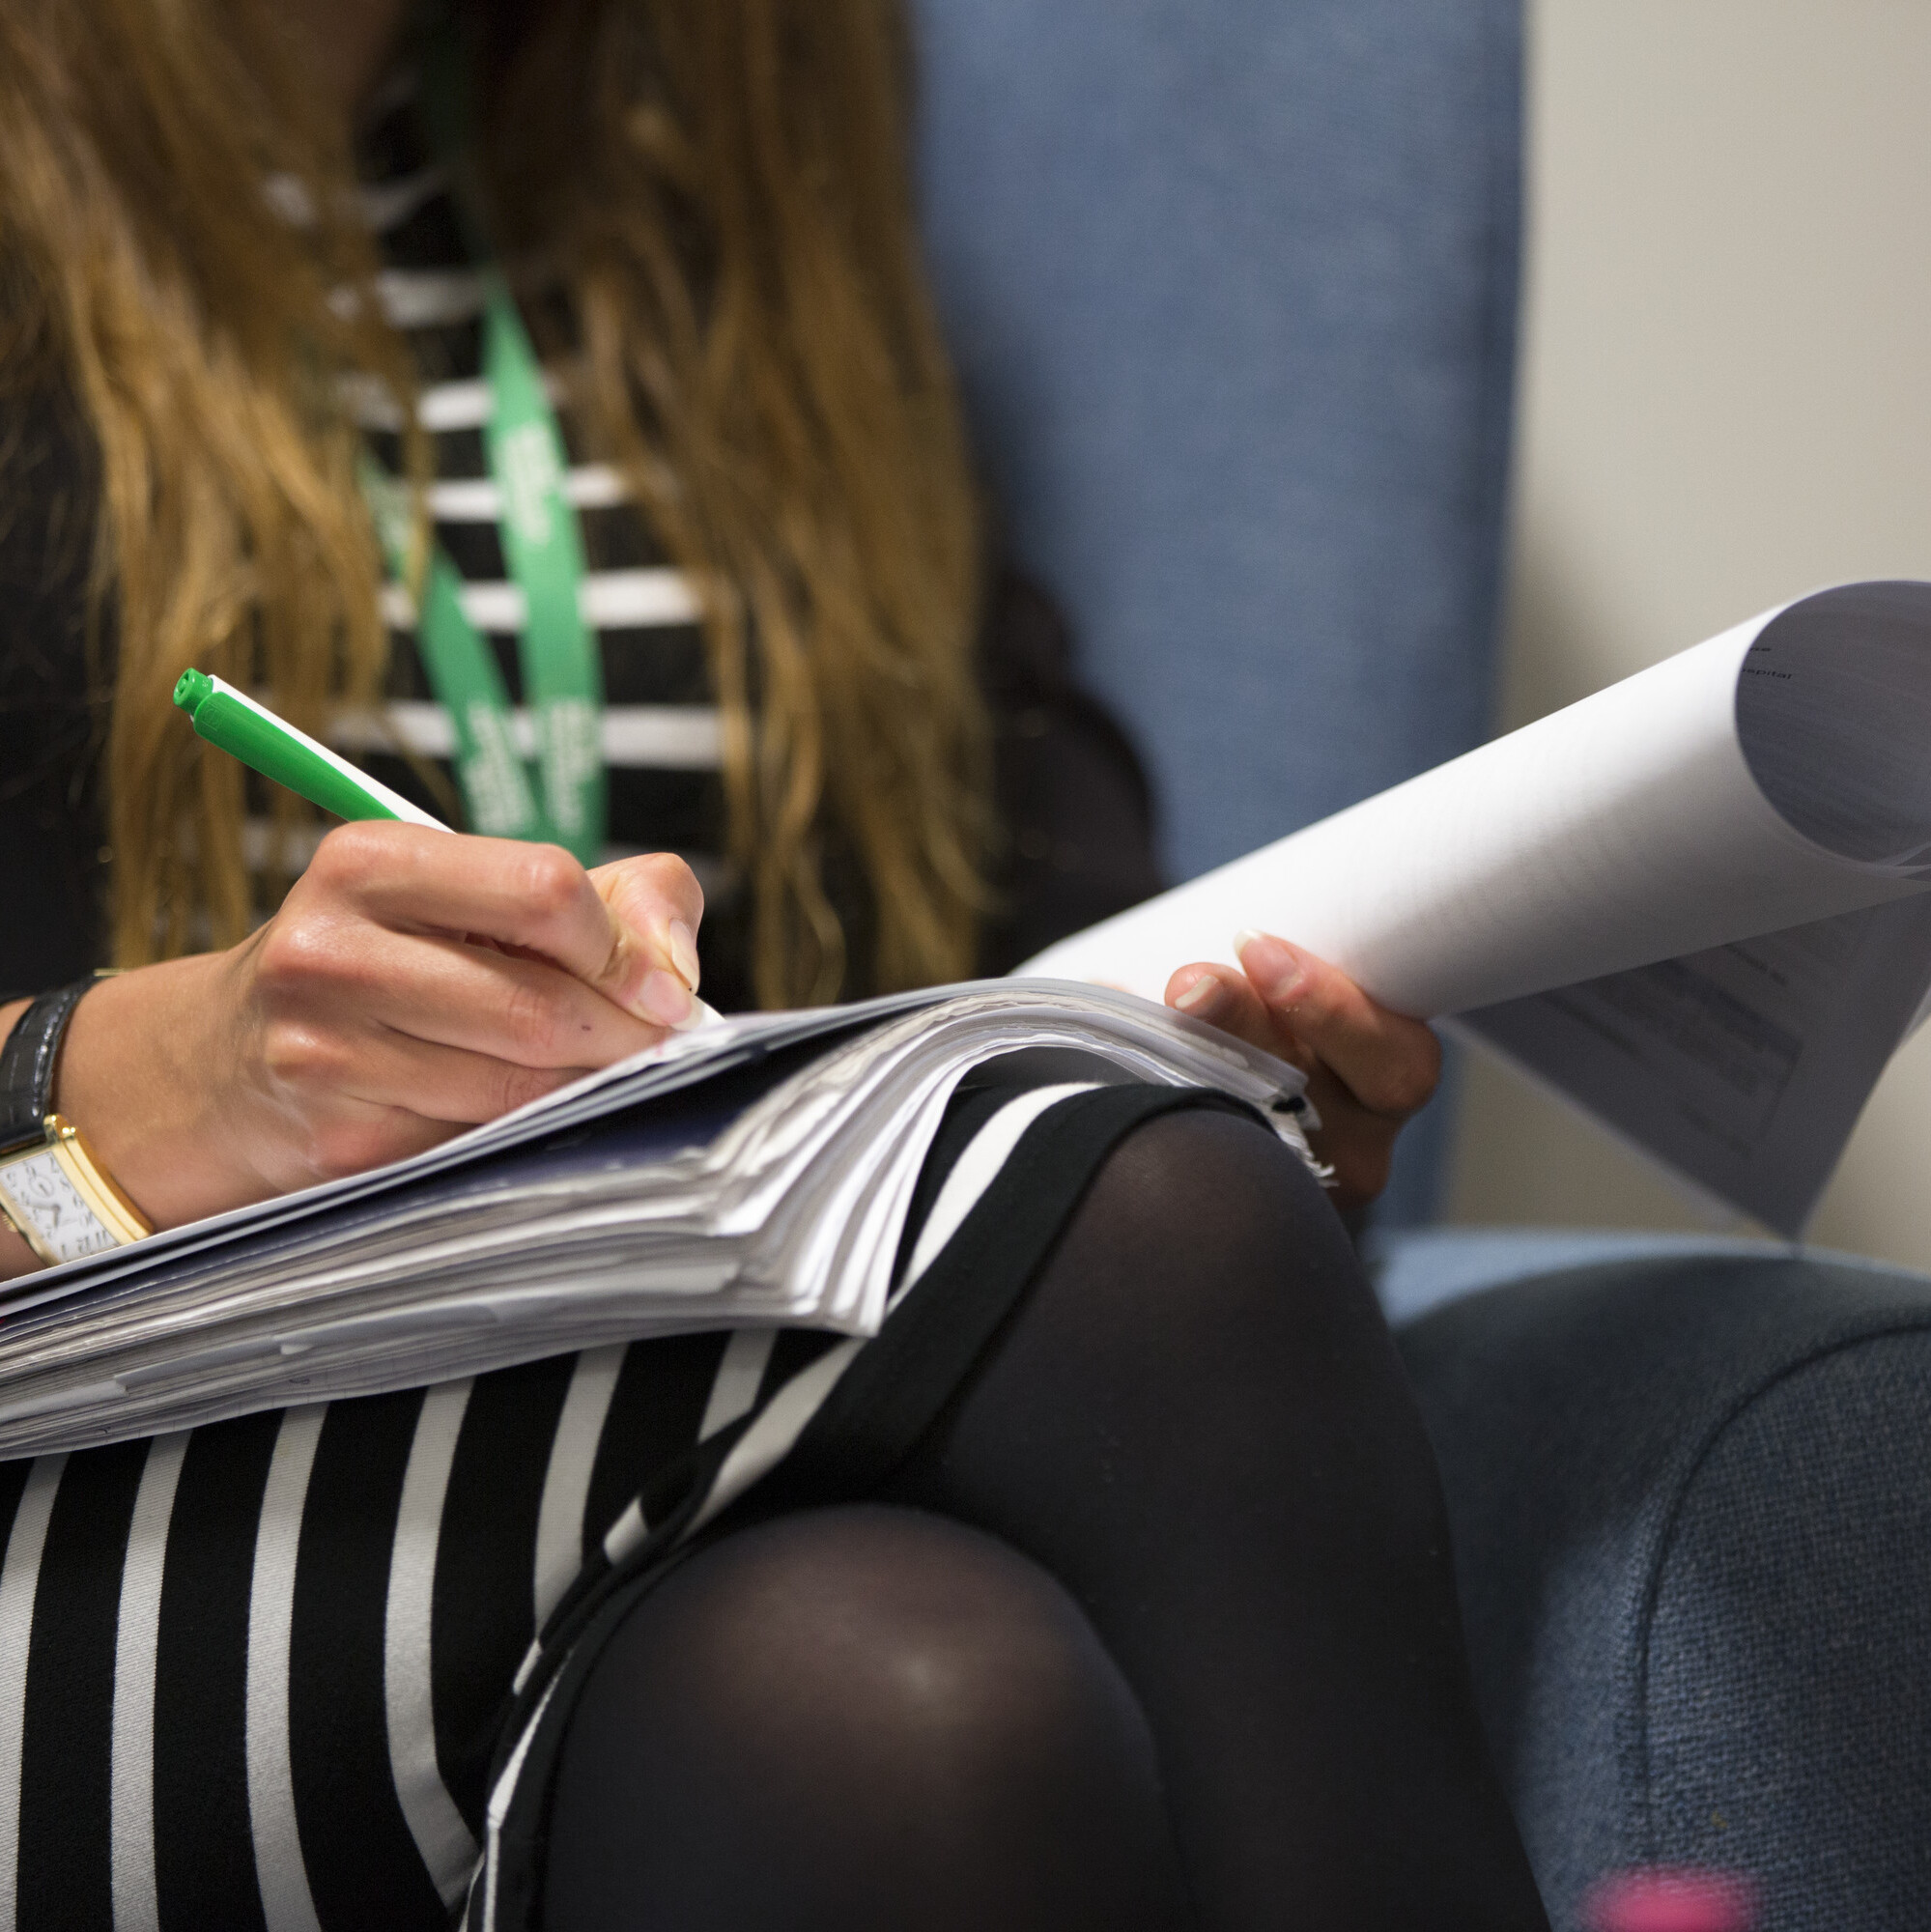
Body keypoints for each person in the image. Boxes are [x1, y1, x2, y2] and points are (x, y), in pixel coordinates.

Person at [0, 2, 1549, 1927]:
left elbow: (1006, 919)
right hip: (84, 1475)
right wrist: (165, 1077)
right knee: (1162, 1226)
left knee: (908, 1706)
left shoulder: (700, 203)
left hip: (595, 1440)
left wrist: (1226, 1056)